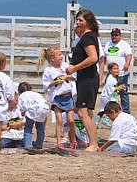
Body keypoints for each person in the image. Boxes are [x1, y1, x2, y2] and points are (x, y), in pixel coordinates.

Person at [66, 9, 100, 152]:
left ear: (88, 22)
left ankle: (93, 143)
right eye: (77, 20)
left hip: (88, 77)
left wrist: (75, 68)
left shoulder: (88, 38)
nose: (78, 23)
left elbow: (93, 58)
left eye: (81, 20)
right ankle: (93, 143)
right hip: (85, 77)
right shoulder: (85, 37)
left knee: (82, 112)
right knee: (86, 112)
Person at [40, 47, 77, 149]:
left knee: (71, 120)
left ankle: (73, 140)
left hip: (68, 96)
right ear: (52, 59)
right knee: (59, 120)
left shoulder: (65, 66)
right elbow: (46, 85)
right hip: (57, 98)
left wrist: (67, 77)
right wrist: (55, 82)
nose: (61, 57)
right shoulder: (48, 70)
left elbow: (74, 75)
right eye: (59, 55)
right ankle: (58, 142)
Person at [99, 28, 132, 114]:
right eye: (112, 35)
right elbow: (104, 57)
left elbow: (129, 54)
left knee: (123, 92)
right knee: (111, 92)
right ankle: (110, 111)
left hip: (121, 73)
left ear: (120, 35)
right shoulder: (108, 44)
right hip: (111, 73)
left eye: (116, 35)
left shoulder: (124, 44)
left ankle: (126, 111)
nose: (114, 37)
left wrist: (127, 64)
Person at [17, 82, 49, 149]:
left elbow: (21, 109)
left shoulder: (22, 96)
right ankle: (39, 144)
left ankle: (28, 145)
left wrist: (23, 115)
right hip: (44, 108)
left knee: (28, 127)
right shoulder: (36, 94)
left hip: (33, 108)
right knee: (40, 127)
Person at [97, 62, 125, 129]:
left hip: (107, 96)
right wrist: (119, 88)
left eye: (117, 68)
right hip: (108, 97)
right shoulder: (110, 79)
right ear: (110, 70)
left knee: (103, 110)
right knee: (113, 109)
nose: (117, 70)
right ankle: (106, 120)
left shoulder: (114, 78)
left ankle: (96, 122)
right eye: (114, 69)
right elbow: (111, 90)